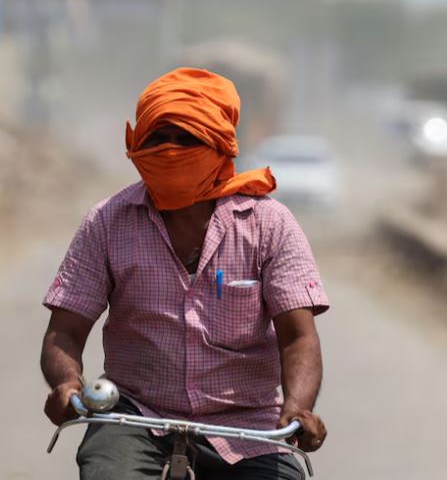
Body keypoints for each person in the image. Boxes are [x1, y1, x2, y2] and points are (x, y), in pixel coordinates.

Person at [41, 67, 329, 480]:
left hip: (246, 424)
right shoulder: (106, 222)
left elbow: (298, 336)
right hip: (133, 415)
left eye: (187, 139)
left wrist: (298, 407)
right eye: (158, 139)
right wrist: (67, 383)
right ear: (137, 145)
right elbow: (64, 332)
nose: (171, 151)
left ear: (220, 146)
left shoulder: (271, 225)